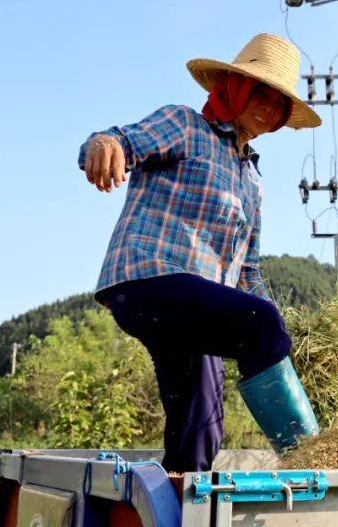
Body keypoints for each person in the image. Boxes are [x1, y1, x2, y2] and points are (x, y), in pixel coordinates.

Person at [78, 33, 323, 473]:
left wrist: (283, 338)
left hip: (193, 308)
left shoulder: (253, 179)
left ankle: (181, 499)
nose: (267, 108)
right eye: (259, 93)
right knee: (259, 323)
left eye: (278, 103)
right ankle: (316, 459)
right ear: (233, 88)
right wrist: (104, 146)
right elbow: (122, 139)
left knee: (201, 427)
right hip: (148, 281)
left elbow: (248, 270)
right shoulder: (186, 125)